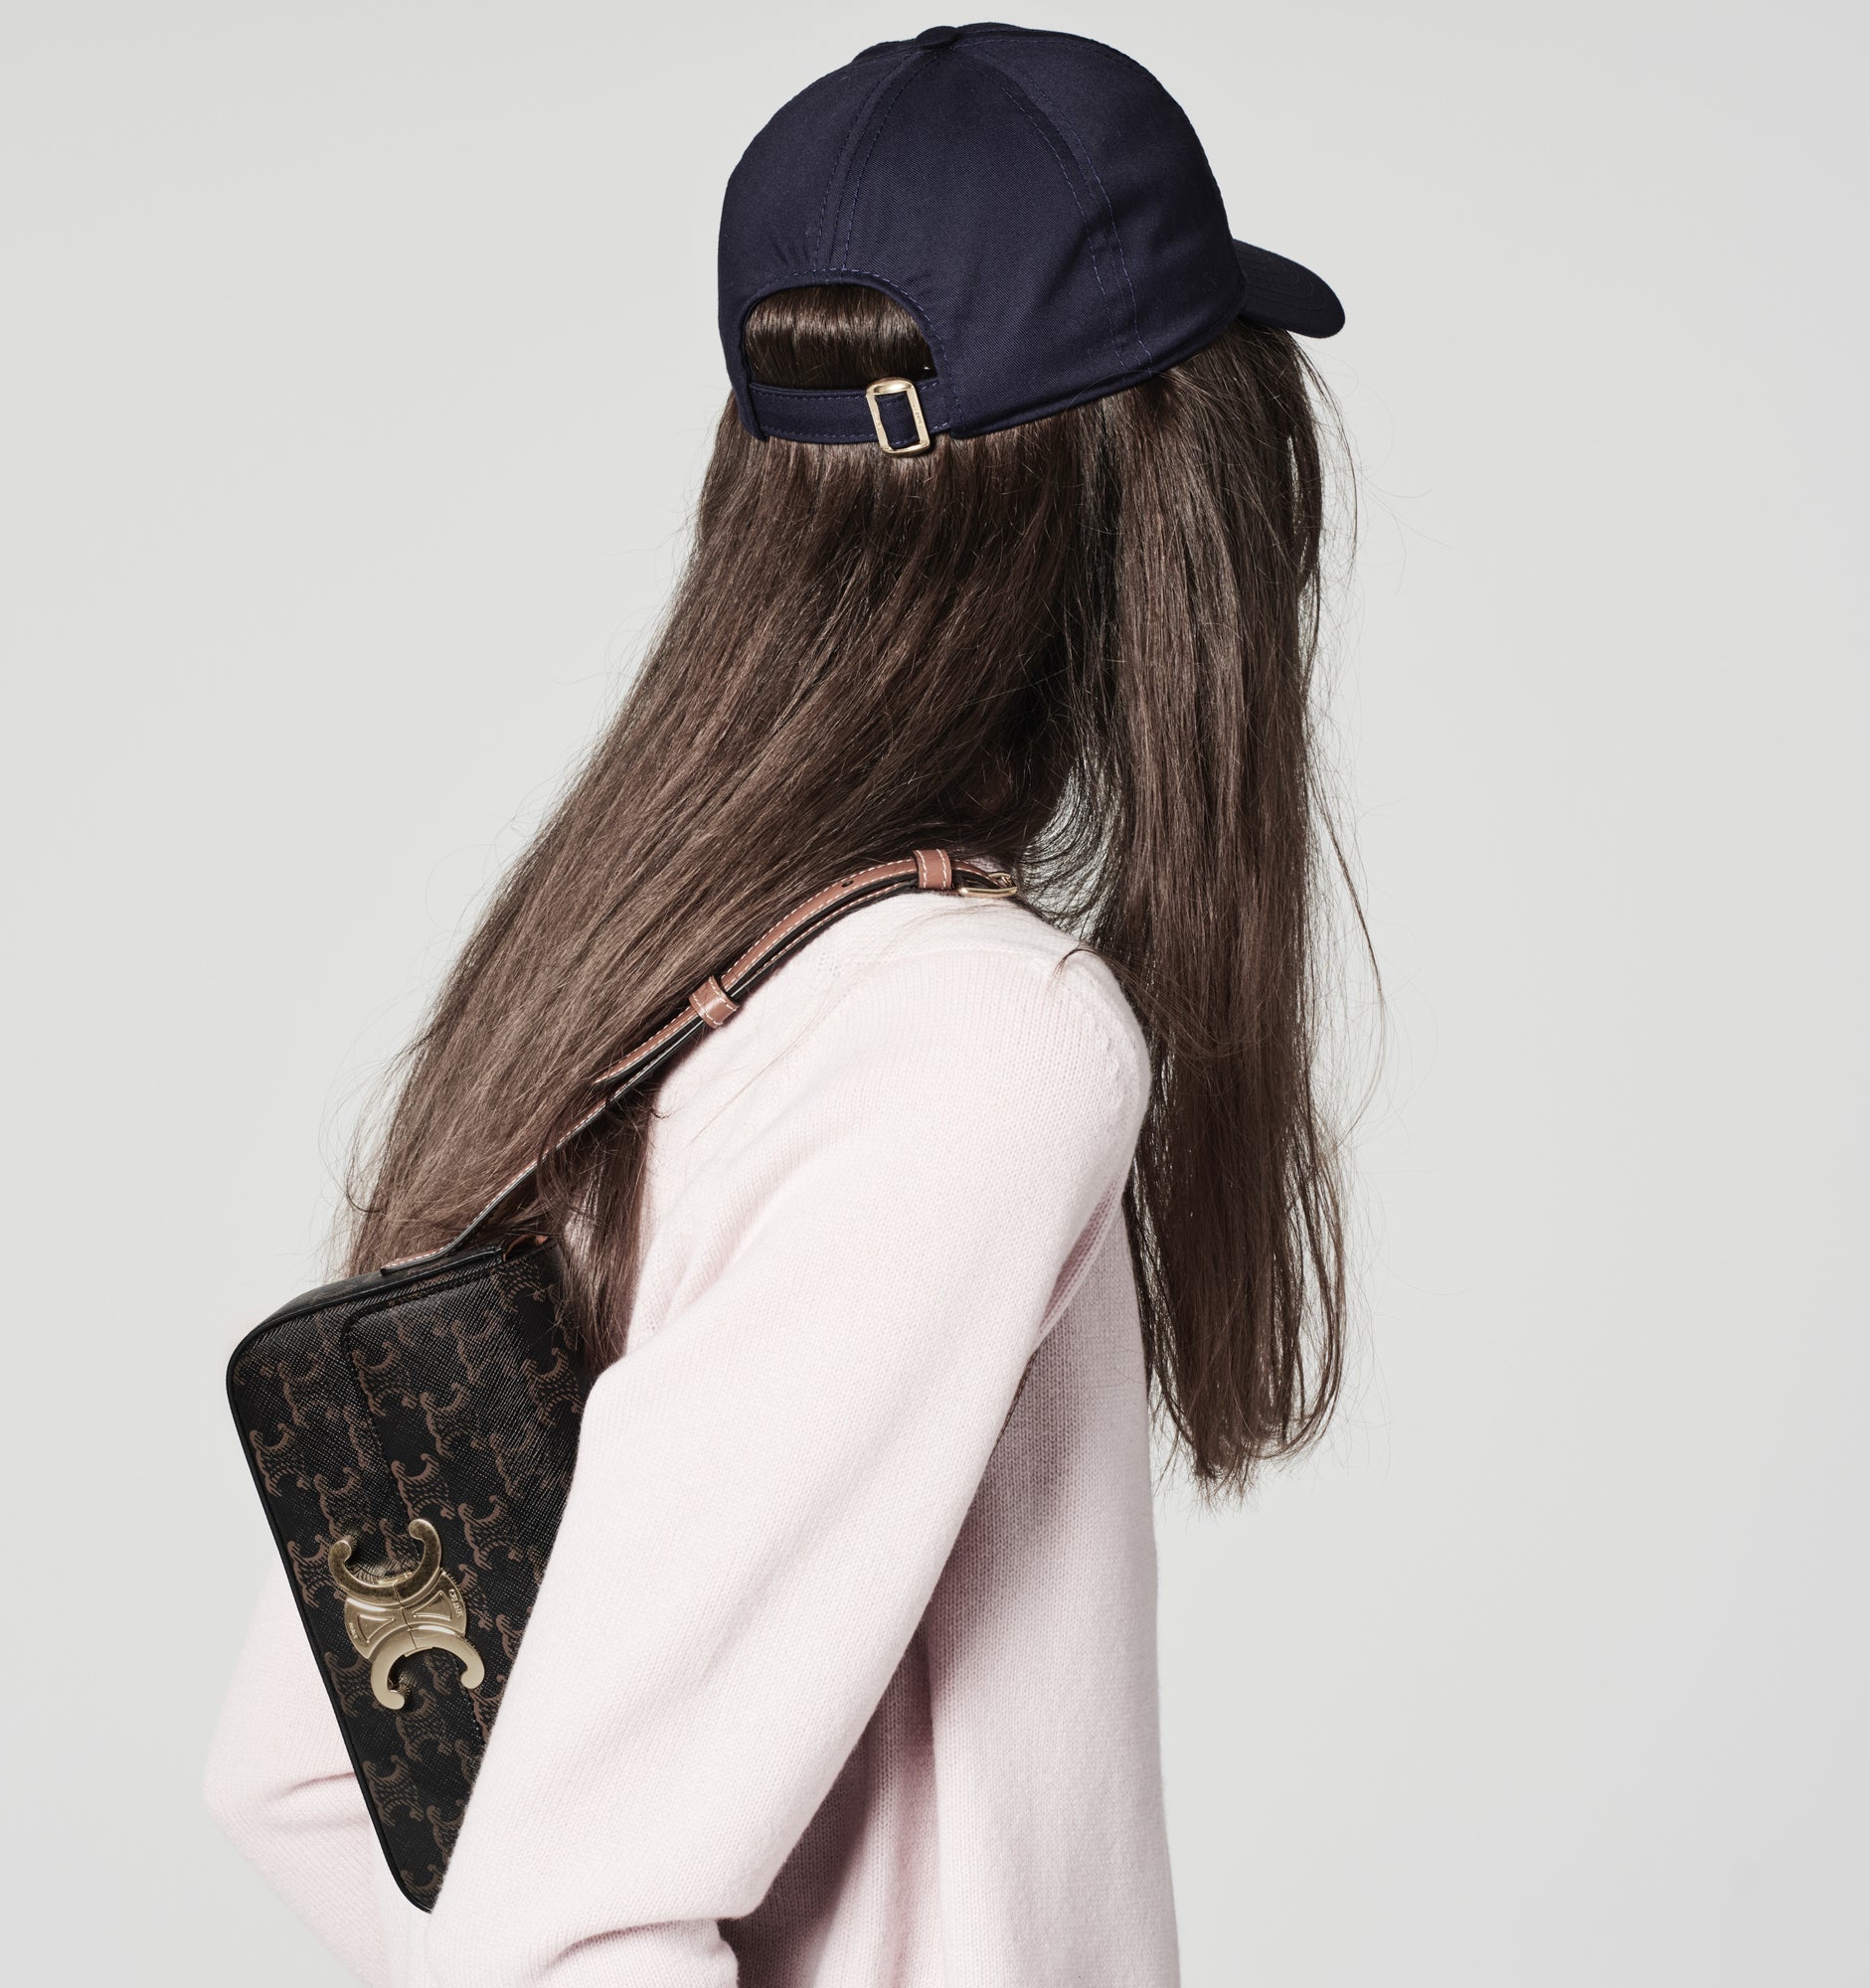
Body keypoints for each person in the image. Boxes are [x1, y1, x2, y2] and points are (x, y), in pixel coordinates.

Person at [206, 23, 1354, 1987]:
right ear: (1172, 484)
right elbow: (558, 1915)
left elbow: (312, 1775)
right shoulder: (980, 1044)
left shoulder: (659, 990)